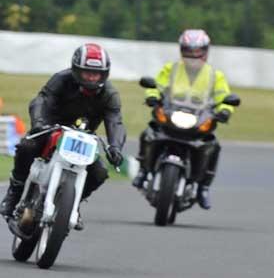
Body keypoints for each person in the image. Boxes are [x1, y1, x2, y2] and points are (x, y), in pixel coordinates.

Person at [0, 43, 125, 229]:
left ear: (104, 74)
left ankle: (72, 204)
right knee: (27, 146)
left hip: (84, 136)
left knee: (99, 173)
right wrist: (39, 123)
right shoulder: (61, 79)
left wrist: (115, 147)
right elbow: (42, 100)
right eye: (87, 72)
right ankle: (14, 192)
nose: (91, 77)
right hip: (51, 126)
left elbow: (115, 121)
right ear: (77, 70)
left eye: (96, 73)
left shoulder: (110, 94)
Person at [131, 29, 235, 209]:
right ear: (182, 49)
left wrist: (225, 110)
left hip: (199, 118)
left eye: (197, 50)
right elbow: (156, 85)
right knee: (148, 133)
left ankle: (203, 187)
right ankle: (143, 171)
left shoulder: (215, 75)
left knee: (213, 146)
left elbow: (224, 97)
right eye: (189, 50)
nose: (193, 55)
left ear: (205, 50)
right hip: (171, 114)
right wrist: (152, 96)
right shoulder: (170, 69)